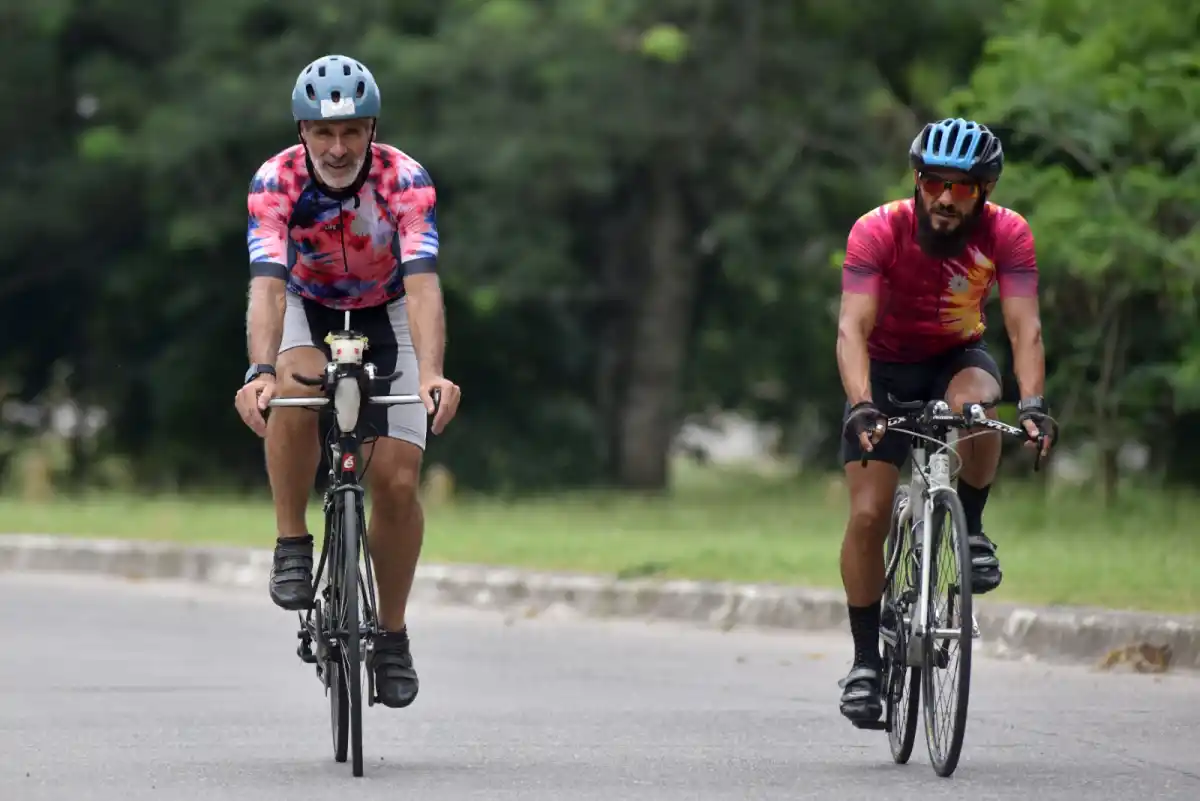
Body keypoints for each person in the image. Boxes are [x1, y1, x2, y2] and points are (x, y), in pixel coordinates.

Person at [233, 54, 462, 711]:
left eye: (352, 132)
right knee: (293, 384)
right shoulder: (274, 181)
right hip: (306, 301)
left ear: (372, 130)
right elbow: (267, 288)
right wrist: (260, 369)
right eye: (323, 133)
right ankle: (292, 540)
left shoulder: (404, 180)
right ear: (303, 132)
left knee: (395, 479)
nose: (337, 148)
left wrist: (435, 372)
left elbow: (422, 288)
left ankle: (390, 635)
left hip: (386, 305)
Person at [834, 118, 1057, 724]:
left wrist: (1033, 404)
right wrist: (860, 403)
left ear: (983, 191)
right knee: (867, 515)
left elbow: (1023, 327)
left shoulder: (1008, 233)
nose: (945, 198)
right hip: (882, 370)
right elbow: (852, 327)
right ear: (918, 179)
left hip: (957, 357)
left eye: (963, 188)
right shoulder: (878, 229)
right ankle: (864, 664)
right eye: (935, 182)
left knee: (980, 406)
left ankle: (973, 529)